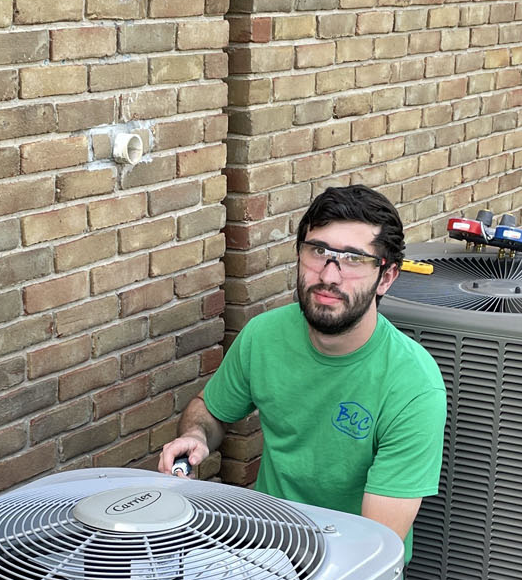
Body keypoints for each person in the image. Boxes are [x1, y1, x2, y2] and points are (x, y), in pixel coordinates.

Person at [156, 184, 446, 556]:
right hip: (265, 551)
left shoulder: (413, 386)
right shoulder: (264, 336)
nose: (329, 275)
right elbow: (210, 411)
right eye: (319, 251)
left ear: (386, 277)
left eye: (354, 259)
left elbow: (374, 545)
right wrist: (196, 437)